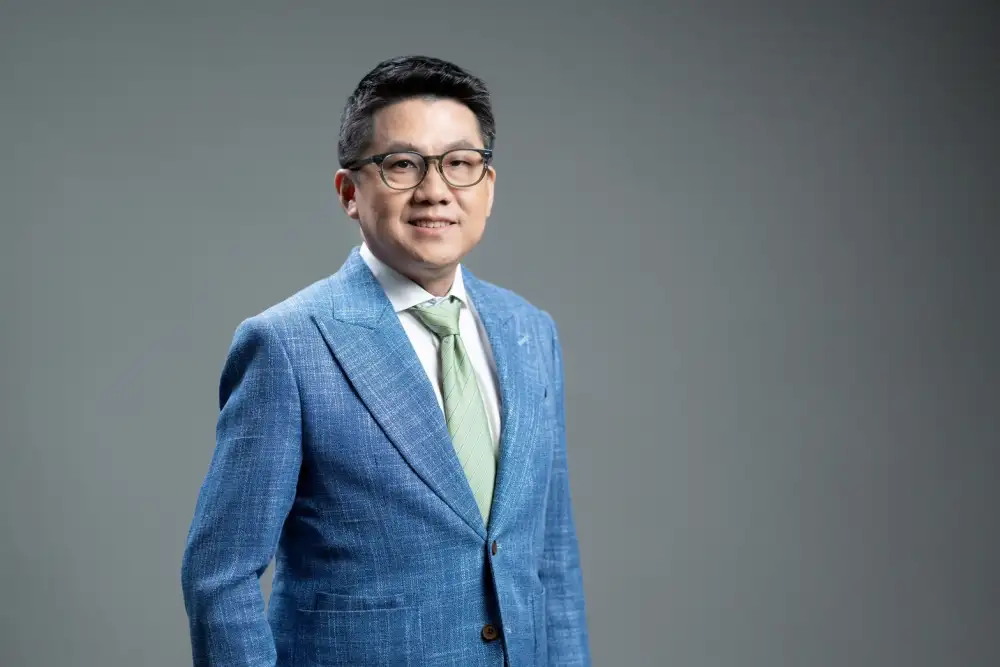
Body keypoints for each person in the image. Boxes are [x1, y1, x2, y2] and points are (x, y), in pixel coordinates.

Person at [181, 55, 590, 666]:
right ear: (350, 192)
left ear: (488, 185)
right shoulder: (287, 344)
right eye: (402, 164)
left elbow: (551, 558)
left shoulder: (531, 332)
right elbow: (220, 576)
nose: (435, 191)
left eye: (460, 163)